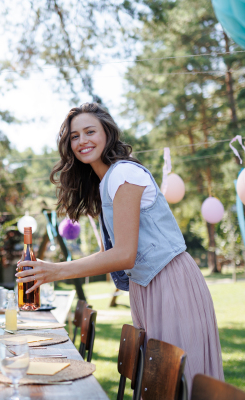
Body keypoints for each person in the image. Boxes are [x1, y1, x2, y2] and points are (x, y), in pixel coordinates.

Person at [16, 103, 224, 393]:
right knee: (159, 383)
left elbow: (124, 254)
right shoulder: (106, 182)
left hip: (171, 281)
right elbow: (114, 254)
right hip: (147, 286)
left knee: (179, 381)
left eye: (90, 131)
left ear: (107, 134)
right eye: (74, 136)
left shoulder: (123, 174)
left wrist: (54, 271)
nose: (82, 141)